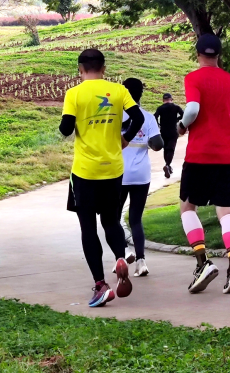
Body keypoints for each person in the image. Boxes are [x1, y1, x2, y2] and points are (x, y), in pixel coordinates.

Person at [59, 49, 145, 307]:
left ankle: (100, 285)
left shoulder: (74, 94)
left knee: (88, 227)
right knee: (110, 220)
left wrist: (76, 121)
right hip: (113, 170)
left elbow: (65, 129)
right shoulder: (119, 91)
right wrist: (125, 138)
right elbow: (138, 117)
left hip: (85, 172)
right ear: (104, 68)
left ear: (80, 69)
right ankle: (120, 257)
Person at [177, 33, 230, 294]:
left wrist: (182, 125)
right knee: (226, 212)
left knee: (188, 208)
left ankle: (202, 263)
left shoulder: (193, 78)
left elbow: (192, 109)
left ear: (198, 54)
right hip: (227, 156)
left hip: (199, 155)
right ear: (219, 55)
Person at [119, 78, 164, 277]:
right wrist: (146, 141)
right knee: (135, 219)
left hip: (119, 174)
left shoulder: (116, 116)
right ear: (141, 94)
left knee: (113, 218)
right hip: (141, 174)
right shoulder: (148, 117)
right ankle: (141, 261)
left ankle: (123, 253)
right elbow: (158, 144)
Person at [155, 93, 184, 178]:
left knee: (166, 149)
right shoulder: (176, 107)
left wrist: (158, 124)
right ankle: (167, 165)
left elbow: (155, 116)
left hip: (163, 131)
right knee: (171, 148)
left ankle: (168, 166)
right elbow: (183, 115)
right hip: (173, 131)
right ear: (171, 99)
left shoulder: (160, 108)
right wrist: (177, 119)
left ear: (163, 100)